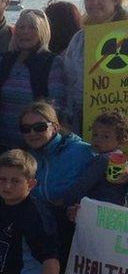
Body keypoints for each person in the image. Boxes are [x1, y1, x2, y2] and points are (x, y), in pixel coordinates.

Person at [0, 9, 66, 164]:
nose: (25, 32)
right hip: (0, 143)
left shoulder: (52, 62)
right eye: (21, 27)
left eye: (32, 28)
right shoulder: (6, 60)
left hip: (34, 146)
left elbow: (56, 105)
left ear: (42, 32)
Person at [20, 101, 94, 263]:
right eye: (26, 129)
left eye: (39, 127)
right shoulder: (25, 157)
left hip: (76, 231)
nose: (32, 133)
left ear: (55, 127)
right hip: (43, 232)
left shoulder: (81, 151)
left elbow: (114, 173)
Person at [62, 0, 127, 135]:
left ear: (116, 0)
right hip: (86, 120)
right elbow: (70, 81)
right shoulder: (79, 39)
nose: (94, 3)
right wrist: (68, 116)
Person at [66, 112, 128, 217]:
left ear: (120, 140)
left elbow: (84, 184)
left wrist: (65, 200)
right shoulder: (121, 159)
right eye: (95, 134)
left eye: (106, 136)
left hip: (95, 210)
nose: (98, 139)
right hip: (114, 211)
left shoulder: (103, 159)